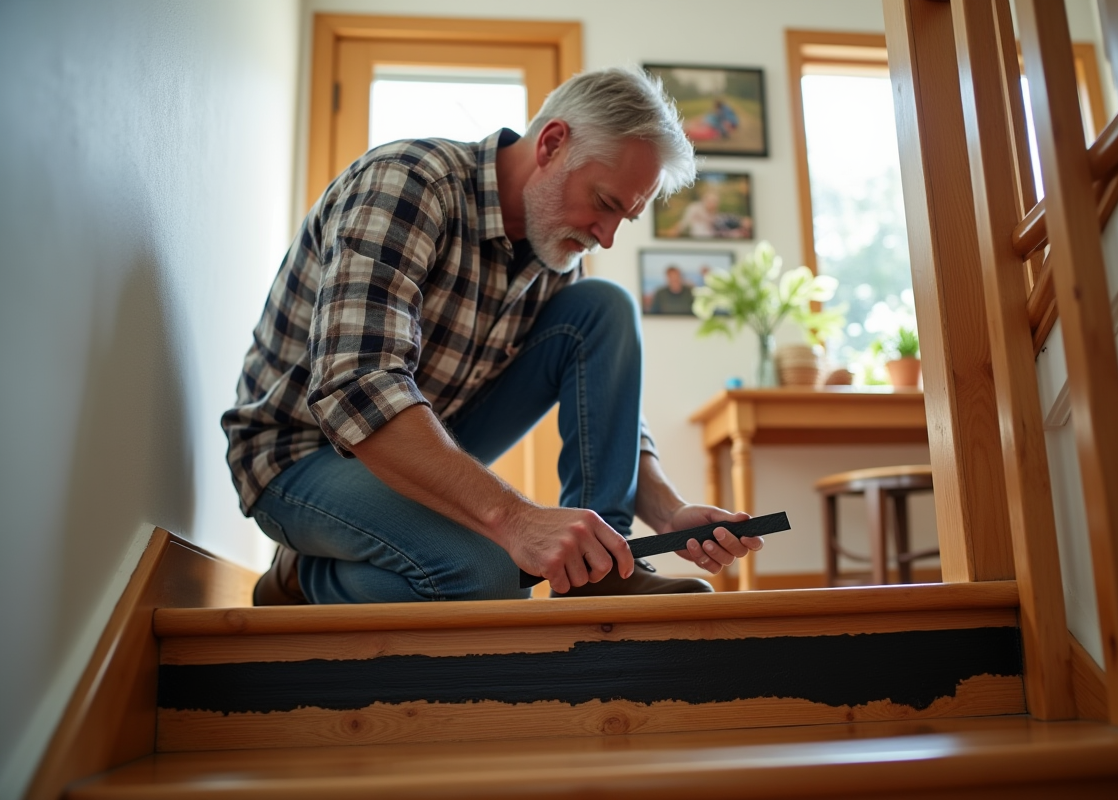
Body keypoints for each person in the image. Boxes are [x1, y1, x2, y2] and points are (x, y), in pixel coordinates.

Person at [222, 67, 763, 605]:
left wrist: (668, 512)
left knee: (604, 307)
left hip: (434, 432)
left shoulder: (556, 254)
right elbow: (356, 387)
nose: (607, 236)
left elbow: (607, 407)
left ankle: (607, 565)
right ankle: (302, 576)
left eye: (627, 216)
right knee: (491, 571)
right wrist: (517, 520)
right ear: (552, 143)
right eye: (604, 203)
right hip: (298, 455)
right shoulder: (410, 183)